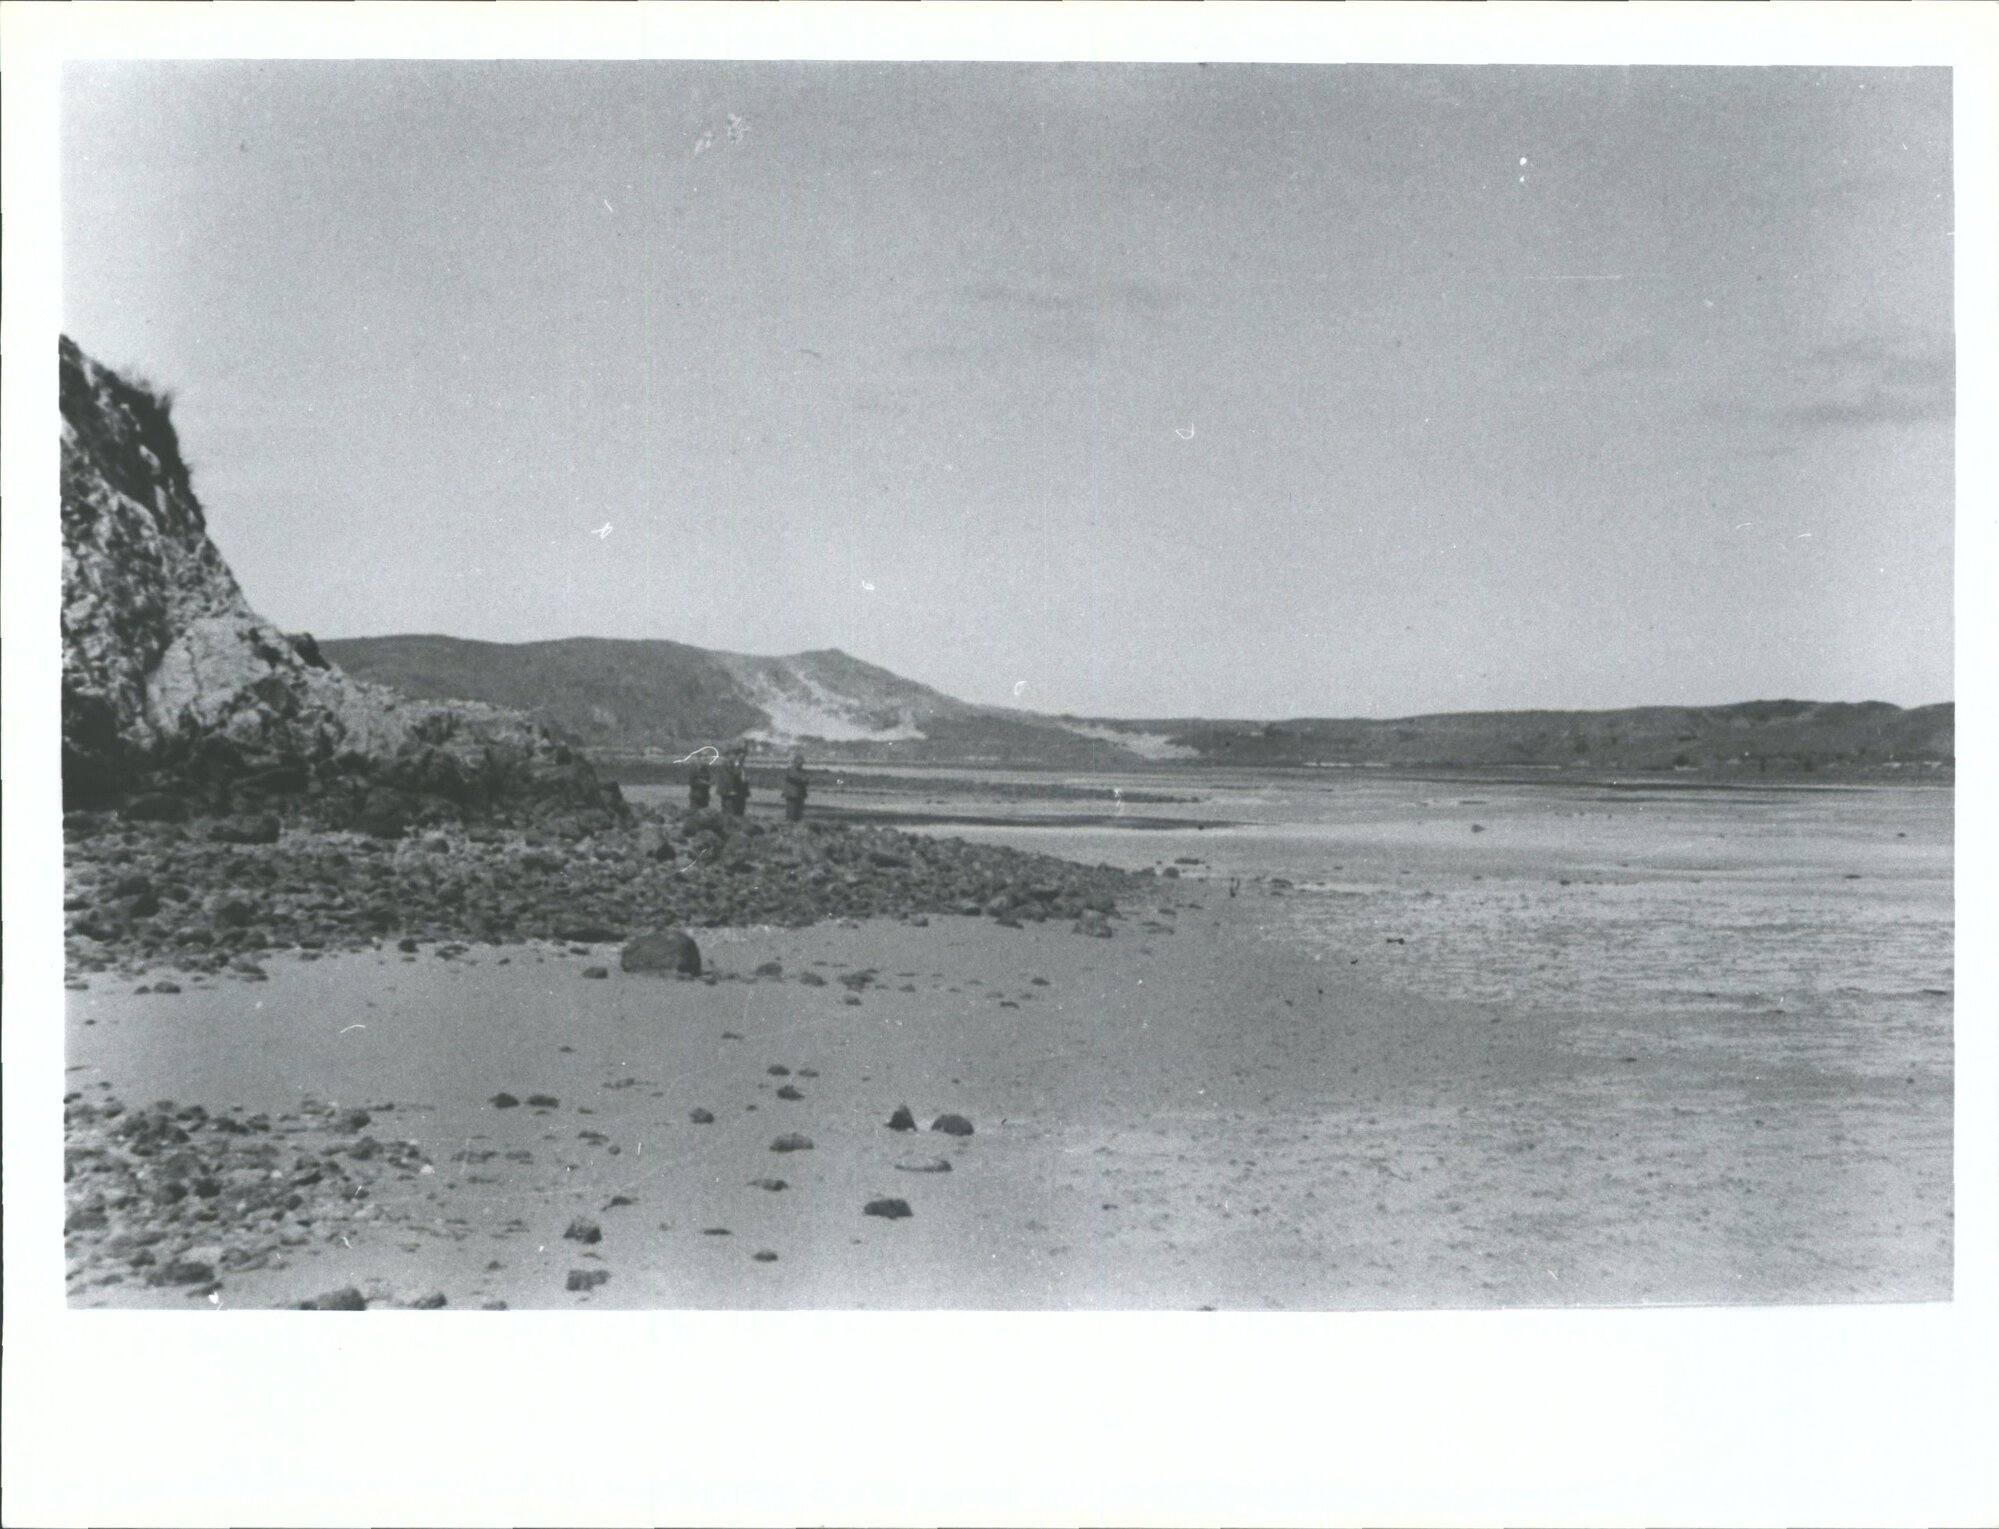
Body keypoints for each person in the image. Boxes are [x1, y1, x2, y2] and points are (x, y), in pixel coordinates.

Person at [718, 743, 750, 817]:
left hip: (738, 793)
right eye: (741, 755)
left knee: (737, 813)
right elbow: (732, 775)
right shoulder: (730, 763)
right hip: (729, 793)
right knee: (730, 814)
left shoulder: (738, 763)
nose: (743, 757)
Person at [782, 749, 810, 823]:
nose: (800, 764)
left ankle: (796, 826)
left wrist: (804, 780)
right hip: (792, 794)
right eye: (799, 762)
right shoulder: (790, 770)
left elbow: (806, 781)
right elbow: (791, 779)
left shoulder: (803, 772)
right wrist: (802, 780)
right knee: (791, 814)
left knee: (799, 814)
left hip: (800, 794)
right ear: (795, 762)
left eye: (801, 763)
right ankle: (789, 826)